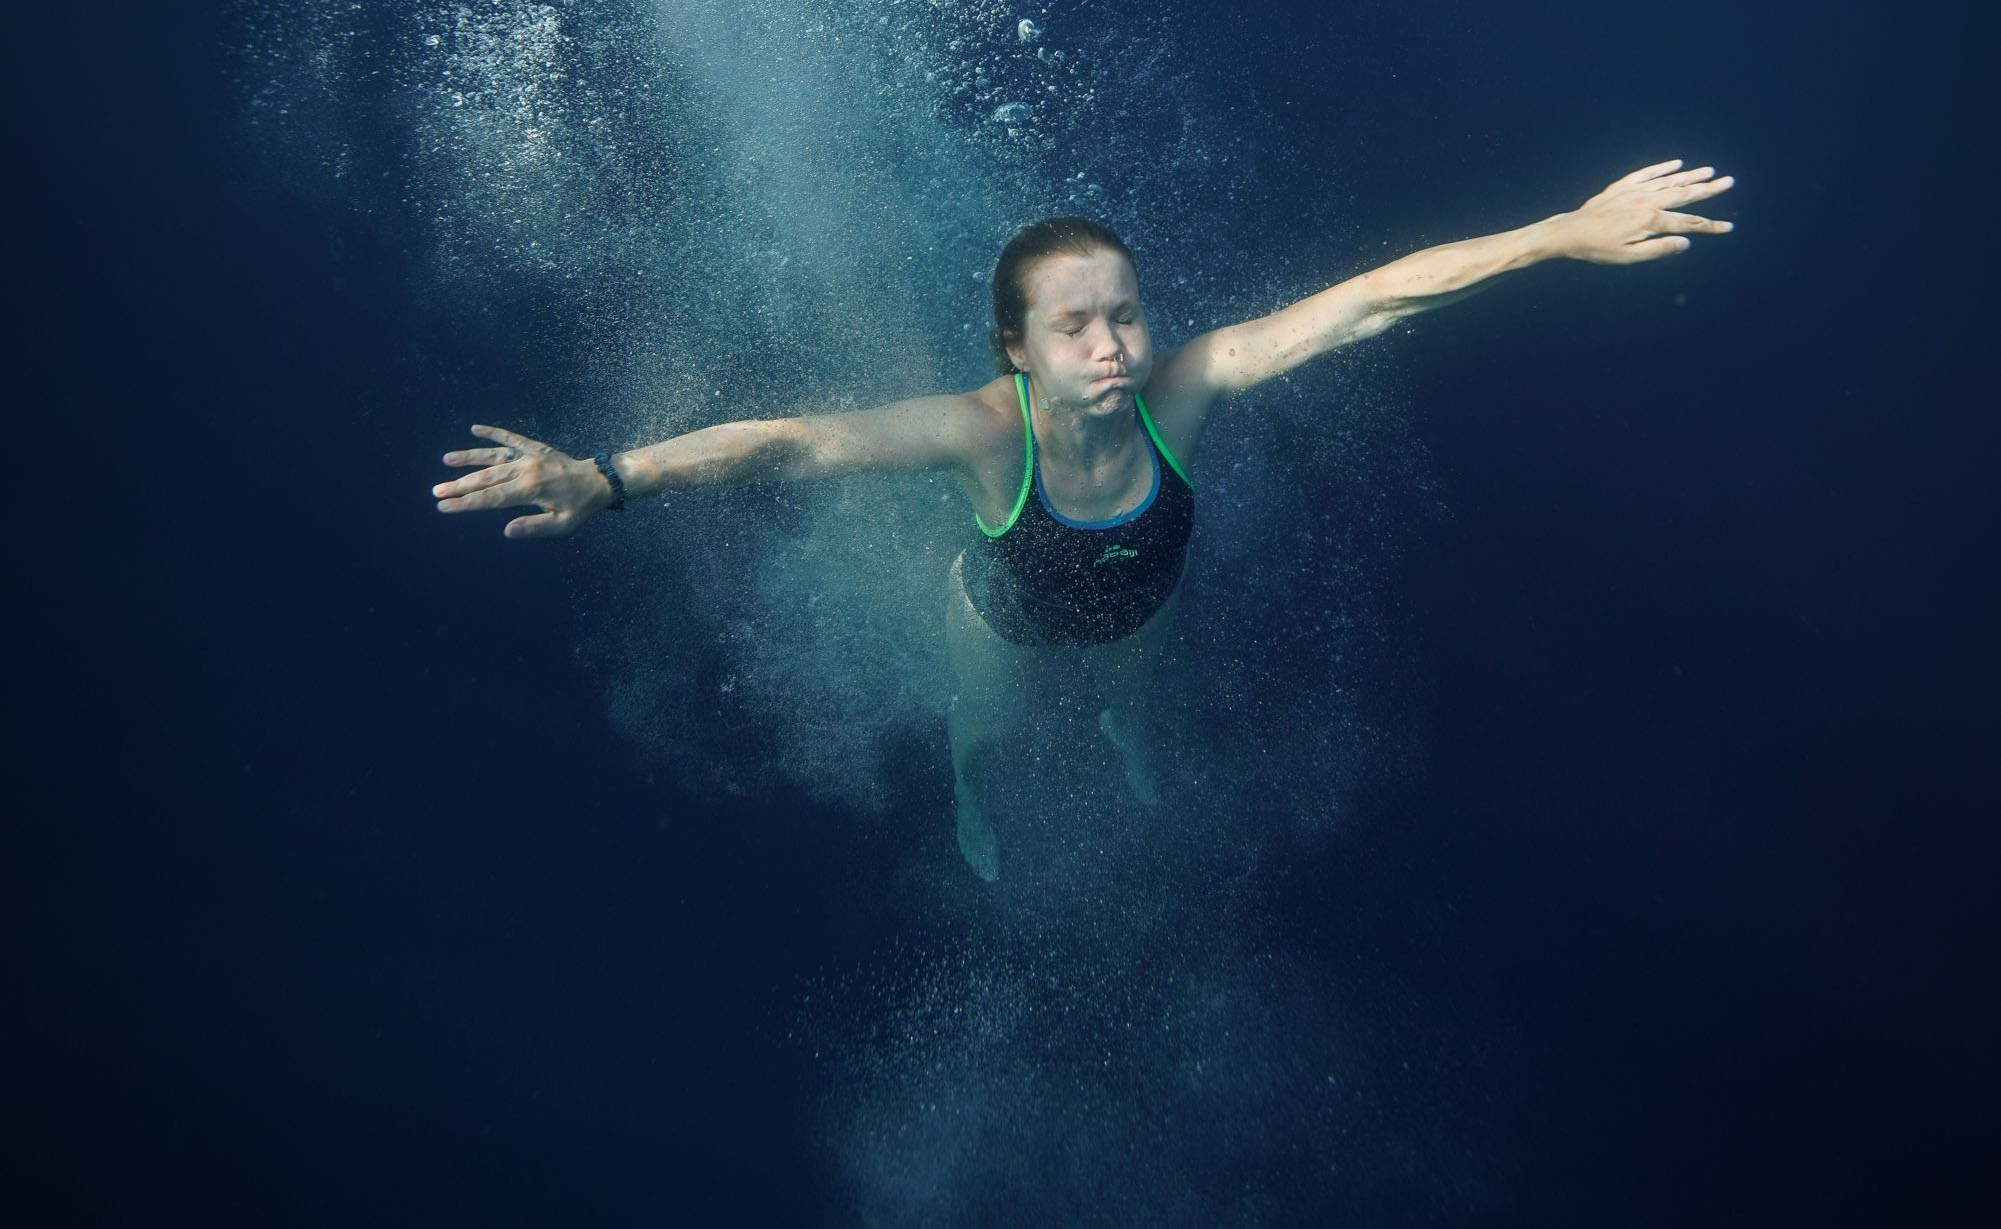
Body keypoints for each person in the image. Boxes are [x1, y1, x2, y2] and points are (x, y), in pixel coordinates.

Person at [433, 158, 1734, 880]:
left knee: (1131, 694)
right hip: (995, 627)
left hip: (1142, 610)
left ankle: (1120, 729)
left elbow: (1371, 302)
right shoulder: (979, 432)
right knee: (987, 723)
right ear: (1016, 347)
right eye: (1075, 324)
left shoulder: (1190, 384)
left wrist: (1560, 230)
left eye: (1124, 312)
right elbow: (789, 441)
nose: (1112, 346)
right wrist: (608, 477)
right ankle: (970, 793)